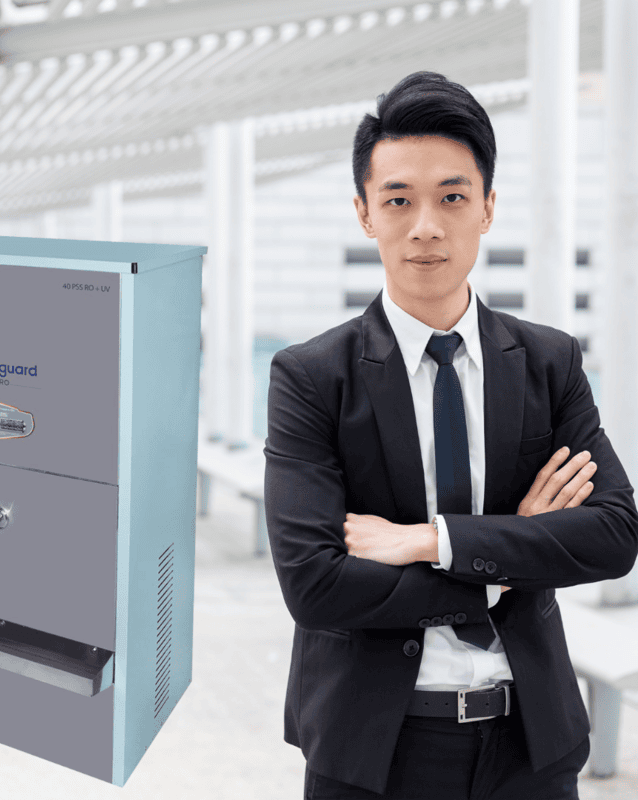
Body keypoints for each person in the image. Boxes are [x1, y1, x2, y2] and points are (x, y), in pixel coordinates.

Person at [263, 71, 638, 799]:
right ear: (366, 214)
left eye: (453, 197)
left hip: (529, 749)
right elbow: (315, 586)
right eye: (398, 200)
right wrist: (497, 566)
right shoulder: (312, 378)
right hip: (373, 753)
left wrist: (433, 540)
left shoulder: (548, 362)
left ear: (489, 208)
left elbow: (616, 533)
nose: (426, 226)